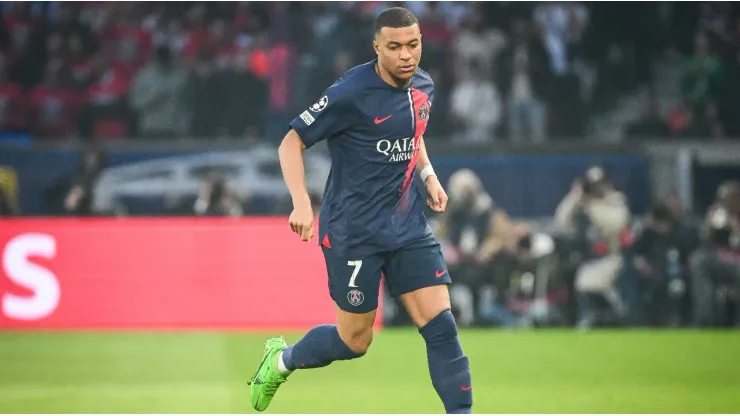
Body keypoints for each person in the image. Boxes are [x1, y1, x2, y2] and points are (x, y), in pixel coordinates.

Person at [247, 8, 473, 414]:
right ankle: (281, 361)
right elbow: (290, 142)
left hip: (406, 226)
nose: (406, 55)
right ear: (376, 48)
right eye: (395, 47)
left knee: (441, 325)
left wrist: (428, 176)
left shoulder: (423, 85)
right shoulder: (350, 93)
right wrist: (302, 202)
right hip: (353, 232)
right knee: (355, 340)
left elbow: (413, 131)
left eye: (413, 45)